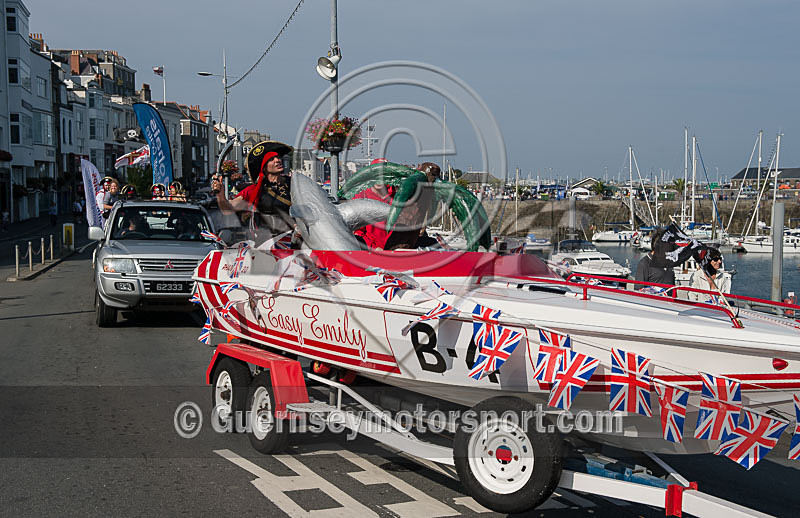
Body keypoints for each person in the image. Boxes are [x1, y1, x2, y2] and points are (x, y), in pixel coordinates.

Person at [210, 140, 293, 238]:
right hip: (265, 245)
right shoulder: (254, 190)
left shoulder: (294, 184)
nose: (277, 160)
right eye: (271, 159)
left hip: (293, 242)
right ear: (264, 168)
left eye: (278, 157)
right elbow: (228, 209)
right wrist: (220, 194)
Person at [383, 162, 441, 250]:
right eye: (433, 175)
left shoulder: (427, 189)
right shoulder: (414, 182)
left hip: (412, 232)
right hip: (402, 230)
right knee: (399, 244)